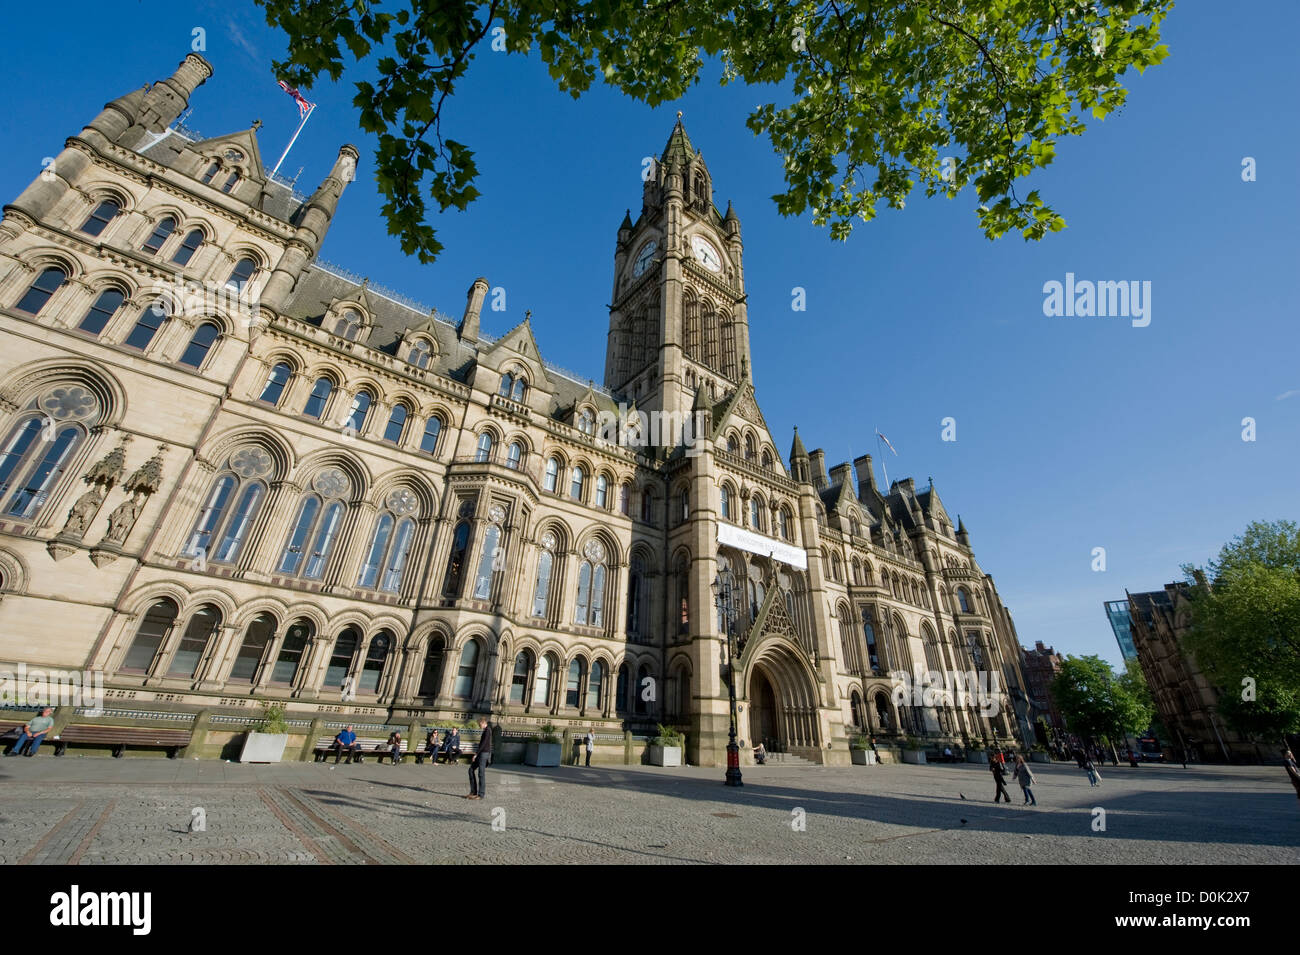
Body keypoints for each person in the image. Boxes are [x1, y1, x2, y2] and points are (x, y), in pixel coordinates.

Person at [467, 717, 492, 800]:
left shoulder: (487, 730)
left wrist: (476, 754)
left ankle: (481, 794)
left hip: (483, 754)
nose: (479, 726)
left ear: (483, 723)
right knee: (471, 770)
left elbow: (484, 744)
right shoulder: (486, 730)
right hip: (481, 753)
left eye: (479, 724)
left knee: (481, 774)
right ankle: (473, 792)